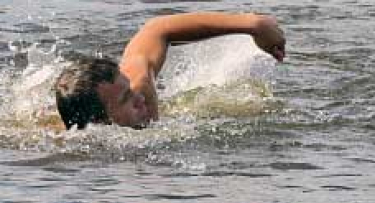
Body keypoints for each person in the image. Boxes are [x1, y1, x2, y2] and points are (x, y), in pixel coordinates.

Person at [54, 12, 285, 130]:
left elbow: (157, 30)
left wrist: (252, 25)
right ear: (102, 125)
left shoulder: (140, 83)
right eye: (126, 99)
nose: (139, 97)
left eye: (129, 87)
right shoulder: (88, 141)